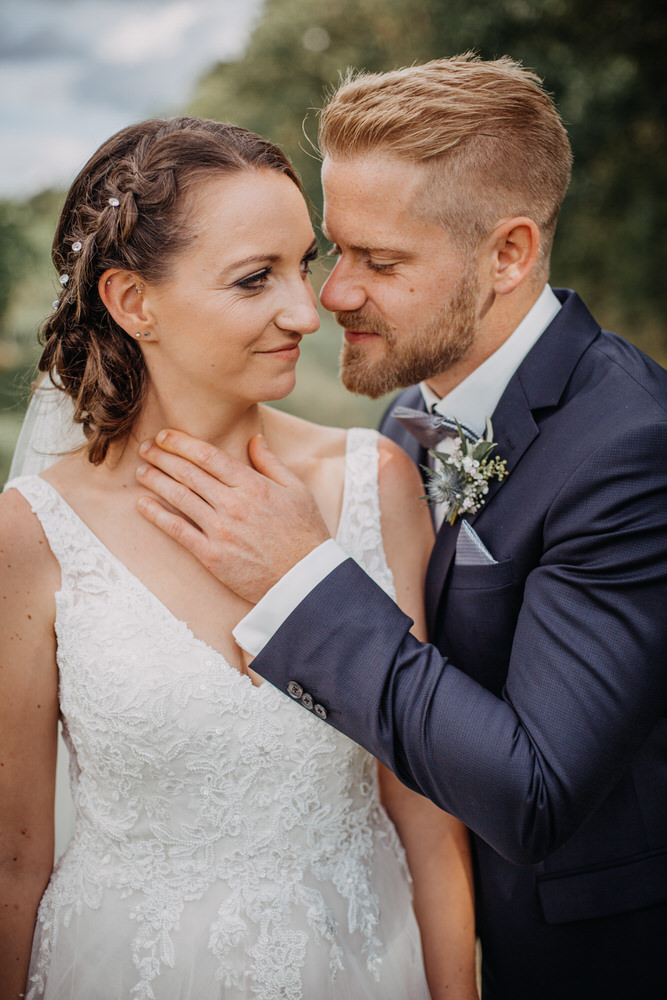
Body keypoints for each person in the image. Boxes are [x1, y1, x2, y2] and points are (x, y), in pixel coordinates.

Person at [133, 57, 667, 999]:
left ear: (507, 254)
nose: (330, 297)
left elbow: (534, 789)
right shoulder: (411, 413)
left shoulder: (632, 446)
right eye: (333, 251)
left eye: (379, 262)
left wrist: (301, 578)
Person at [0, 116, 479, 1000]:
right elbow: (16, 859)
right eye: (256, 278)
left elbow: (428, 820)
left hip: (363, 963)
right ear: (132, 301)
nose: (308, 309)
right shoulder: (36, 528)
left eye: (304, 263)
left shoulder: (375, 484)